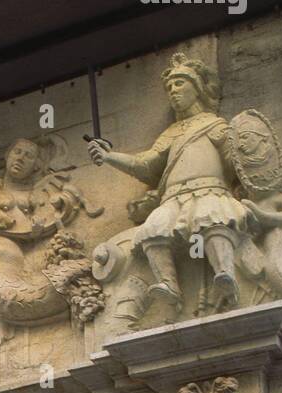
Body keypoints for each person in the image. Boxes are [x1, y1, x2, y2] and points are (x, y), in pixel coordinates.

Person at [87, 53, 249, 312]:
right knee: (153, 229)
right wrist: (109, 156)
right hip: (173, 197)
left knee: (212, 219)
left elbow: (235, 159)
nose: (173, 91)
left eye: (180, 84)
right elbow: (145, 164)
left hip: (208, 189)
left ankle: (225, 273)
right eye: (170, 86)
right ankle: (168, 283)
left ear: (196, 88)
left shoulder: (214, 124)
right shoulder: (171, 133)